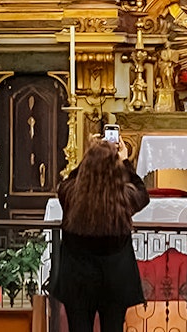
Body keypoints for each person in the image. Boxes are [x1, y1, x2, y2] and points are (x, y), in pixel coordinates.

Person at [50, 138, 150, 332]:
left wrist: (90, 156)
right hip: (114, 281)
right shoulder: (122, 198)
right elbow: (142, 193)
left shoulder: (71, 194)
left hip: (77, 280)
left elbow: (68, 181)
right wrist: (126, 162)